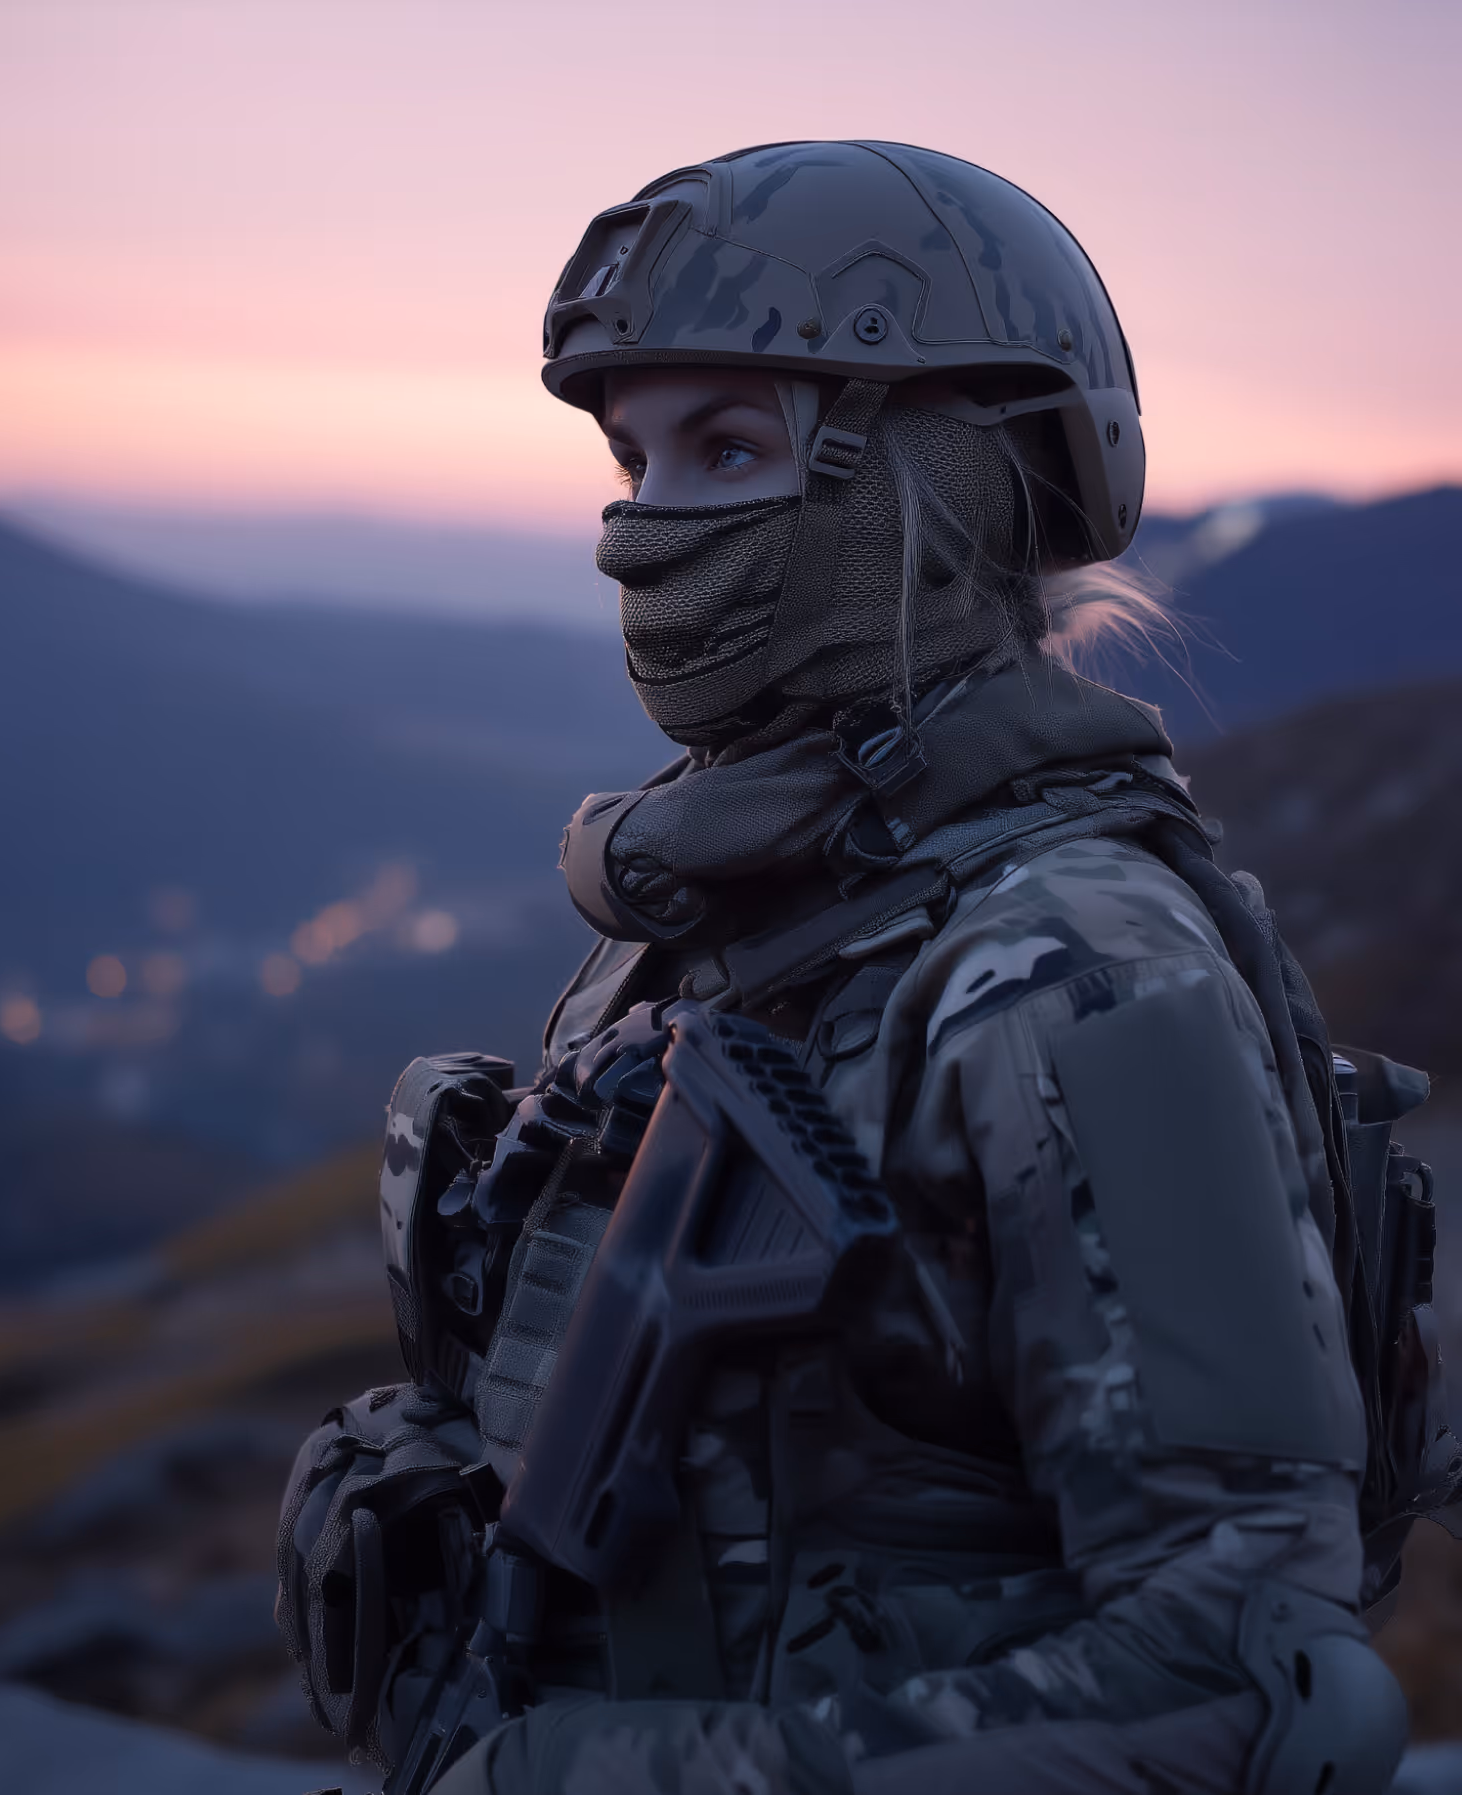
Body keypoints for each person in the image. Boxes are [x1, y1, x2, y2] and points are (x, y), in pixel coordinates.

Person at [277, 141, 1455, 1795]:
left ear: (954, 481)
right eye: (634, 456)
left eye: (733, 446)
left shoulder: (1082, 972)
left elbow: (1252, 1671)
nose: (645, 529)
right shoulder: (711, 912)